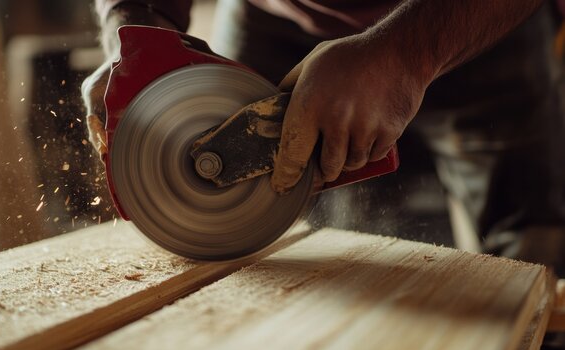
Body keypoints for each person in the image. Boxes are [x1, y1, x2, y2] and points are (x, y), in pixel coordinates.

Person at [83, 0, 565, 272]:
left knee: (533, 251)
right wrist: (136, 32)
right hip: (274, 16)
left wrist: (405, 55)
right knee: (240, 255)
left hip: (475, 20)